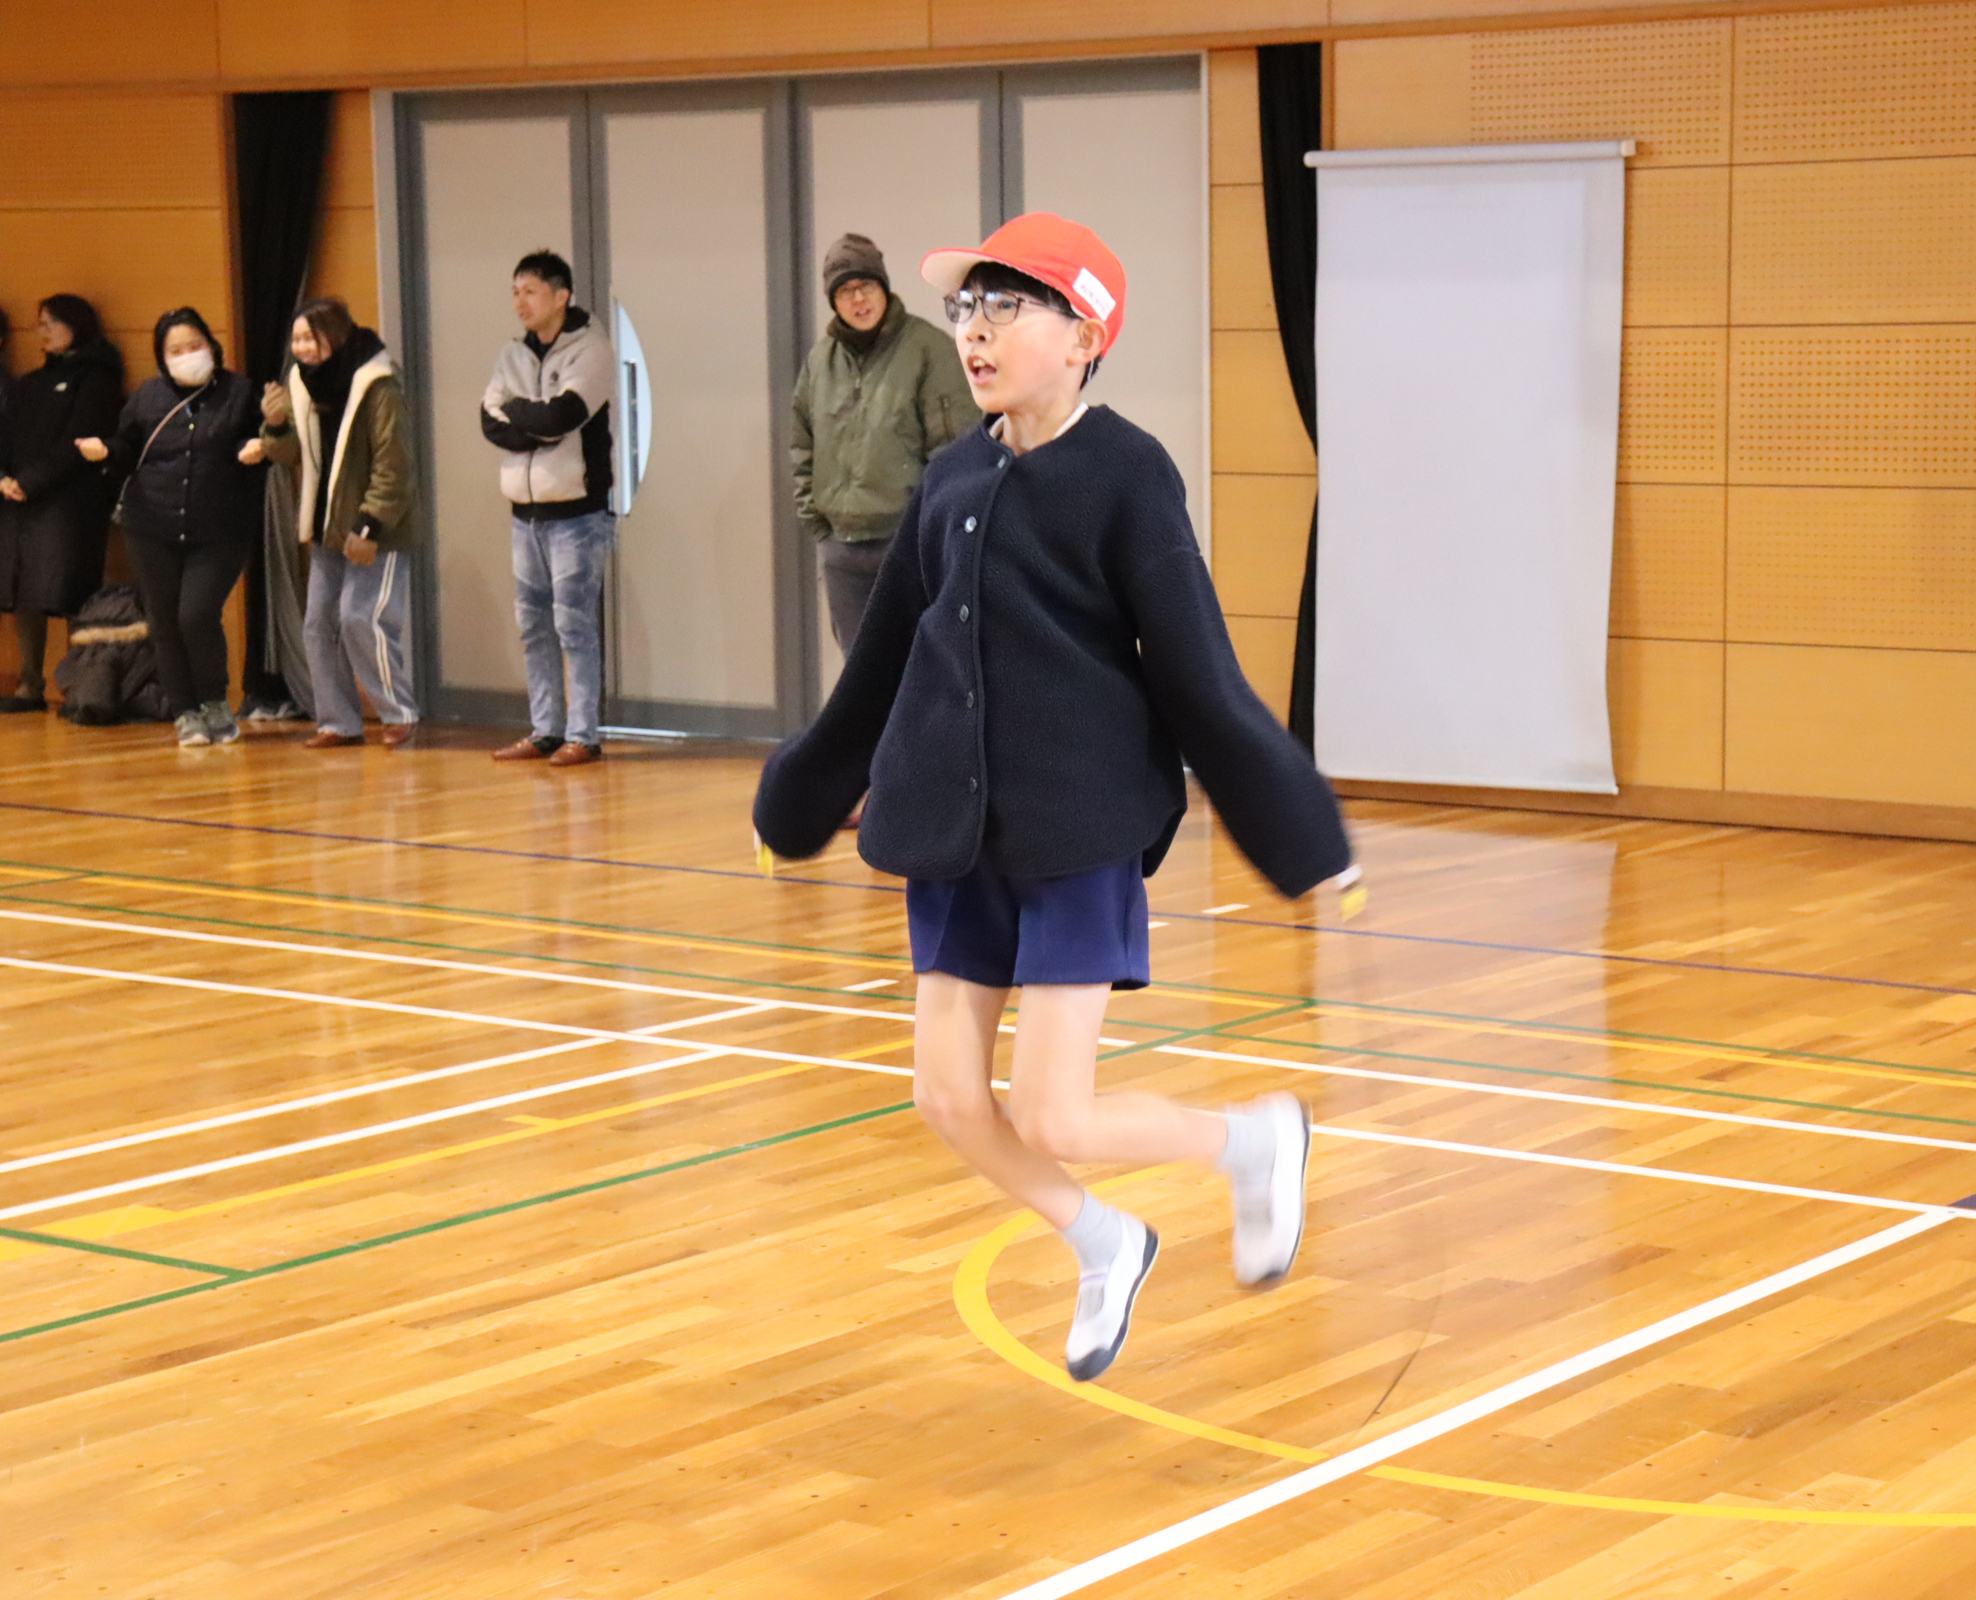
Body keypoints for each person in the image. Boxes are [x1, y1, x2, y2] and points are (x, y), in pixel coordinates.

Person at [753, 214, 1353, 1383]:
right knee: (945, 1097)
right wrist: (801, 795)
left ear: (1084, 337)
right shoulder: (950, 477)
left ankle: (1250, 1142)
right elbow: (878, 667)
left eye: (1006, 308)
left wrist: (1299, 828)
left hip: (1077, 834)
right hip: (953, 834)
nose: (974, 332)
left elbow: (1200, 675)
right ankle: (1103, 1239)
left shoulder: (1128, 475)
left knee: (1056, 1116)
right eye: (966, 309)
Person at [77, 308, 264, 747]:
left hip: (220, 527)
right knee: (164, 621)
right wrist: (105, 450)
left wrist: (258, 447)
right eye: (175, 350)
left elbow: (262, 440)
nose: (187, 355)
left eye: (194, 345)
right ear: (162, 357)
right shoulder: (148, 396)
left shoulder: (240, 392)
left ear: (212, 345)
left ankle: (214, 701)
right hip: (151, 525)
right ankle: (185, 712)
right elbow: (128, 447)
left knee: (196, 615)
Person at [793, 233, 977, 653]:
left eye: (866, 286)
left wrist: (926, 532)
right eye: (845, 291)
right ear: (832, 300)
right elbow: (802, 446)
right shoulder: (820, 363)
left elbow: (954, 453)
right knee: (860, 673)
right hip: (842, 551)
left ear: (884, 287)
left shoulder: (929, 350)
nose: (858, 299)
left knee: (919, 665)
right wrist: (819, 526)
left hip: (906, 546)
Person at [255, 298, 418, 749]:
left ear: (336, 335)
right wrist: (274, 425)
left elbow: (394, 465)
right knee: (318, 625)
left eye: (310, 337)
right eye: (296, 339)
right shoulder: (303, 382)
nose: (301, 348)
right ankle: (338, 722)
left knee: (360, 617)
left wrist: (368, 527)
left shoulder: (378, 384)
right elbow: (292, 455)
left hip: (375, 528)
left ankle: (399, 713)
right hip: (327, 525)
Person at [481, 249, 615, 768]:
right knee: (533, 626)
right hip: (525, 514)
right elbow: (489, 421)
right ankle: (545, 730)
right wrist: (529, 422)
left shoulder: (592, 350)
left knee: (573, 626)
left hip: (577, 515)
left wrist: (519, 411)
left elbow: (563, 416)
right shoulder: (512, 354)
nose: (520, 302)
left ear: (561, 296)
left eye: (531, 291)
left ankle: (583, 734)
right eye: (515, 292)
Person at [0, 296, 123, 713]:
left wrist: (32, 481)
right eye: (39, 324)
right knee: (23, 588)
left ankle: (81, 686)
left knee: (72, 589)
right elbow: (6, 433)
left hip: (71, 499)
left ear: (77, 324)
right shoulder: (31, 382)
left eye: (52, 323)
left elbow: (80, 438)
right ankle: (29, 684)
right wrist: (5, 478)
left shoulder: (99, 378)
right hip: (20, 496)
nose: (44, 331)